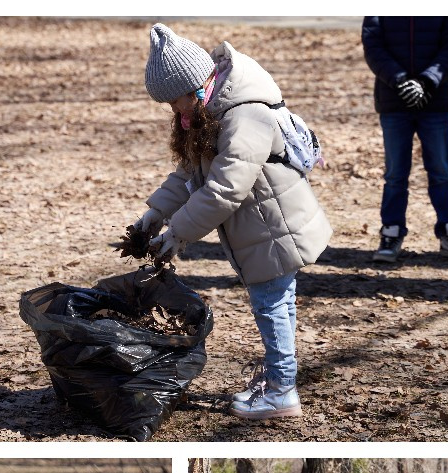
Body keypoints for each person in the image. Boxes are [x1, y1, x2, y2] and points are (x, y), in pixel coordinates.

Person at [133, 24, 332, 421]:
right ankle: (280, 379)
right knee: (278, 302)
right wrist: (155, 213)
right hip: (263, 227)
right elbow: (190, 173)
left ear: (195, 85)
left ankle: (281, 392)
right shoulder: (210, 111)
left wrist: (179, 233)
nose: (174, 110)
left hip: (275, 229)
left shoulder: (245, 116)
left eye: (175, 100)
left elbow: (225, 188)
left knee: (271, 305)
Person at [362, 17, 448, 264]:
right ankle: (391, 233)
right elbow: (373, 45)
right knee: (395, 174)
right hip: (393, 100)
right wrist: (401, 81)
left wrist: (428, 80)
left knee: (440, 171)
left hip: (436, 100)